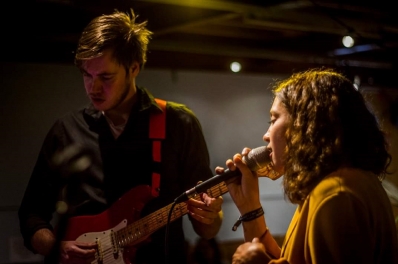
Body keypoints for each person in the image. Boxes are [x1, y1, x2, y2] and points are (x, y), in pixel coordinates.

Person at [18, 9, 223, 264]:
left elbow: (207, 229)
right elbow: (31, 215)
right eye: (87, 75)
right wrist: (57, 246)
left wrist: (211, 216)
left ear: (134, 68)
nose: (93, 88)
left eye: (106, 77)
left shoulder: (179, 123)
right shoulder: (65, 130)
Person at [216, 68, 398, 264]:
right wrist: (249, 206)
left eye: (274, 119)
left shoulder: (336, 194)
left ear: (304, 124)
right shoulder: (339, 183)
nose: (266, 135)